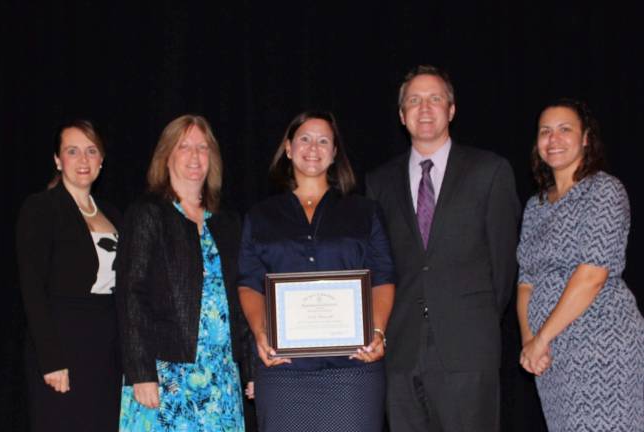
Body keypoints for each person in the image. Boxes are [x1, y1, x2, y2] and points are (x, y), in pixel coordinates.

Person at [366, 65, 521, 432]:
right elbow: (379, 266)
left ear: (451, 110)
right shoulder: (378, 181)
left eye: (435, 99)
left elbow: (504, 265)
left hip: (467, 348)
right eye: (414, 101)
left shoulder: (490, 170)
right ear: (402, 115)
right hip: (402, 352)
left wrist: (468, 314)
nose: (425, 108)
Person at [238, 111, 395, 432]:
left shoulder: (364, 211)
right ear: (288, 148)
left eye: (324, 140)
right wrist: (260, 332)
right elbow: (249, 282)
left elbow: (383, 276)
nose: (313, 147)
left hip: (353, 371)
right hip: (283, 370)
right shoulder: (260, 215)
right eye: (305, 139)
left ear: (335, 152)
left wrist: (377, 333)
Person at [116, 114, 252, 431]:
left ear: (212, 158)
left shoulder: (228, 222)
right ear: (166, 156)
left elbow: (243, 296)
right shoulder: (148, 214)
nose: (194, 156)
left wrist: (252, 371)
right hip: (166, 375)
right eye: (184, 146)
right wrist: (141, 372)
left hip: (221, 378)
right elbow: (130, 295)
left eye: (202, 147)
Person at [517, 98, 644, 431]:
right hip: (553, 358)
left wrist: (541, 339)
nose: (553, 139)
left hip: (602, 346)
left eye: (564, 129)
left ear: (586, 138)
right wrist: (530, 344)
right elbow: (525, 281)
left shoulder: (604, 190)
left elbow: (592, 275)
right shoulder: (536, 205)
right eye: (545, 131)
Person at [16, 120, 122, 431]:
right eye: (72, 151)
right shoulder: (40, 208)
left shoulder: (114, 213)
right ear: (58, 160)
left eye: (91, 151)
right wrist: (51, 360)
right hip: (62, 344)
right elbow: (32, 288)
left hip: (106, 347)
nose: (83, 160)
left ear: (101, 160)